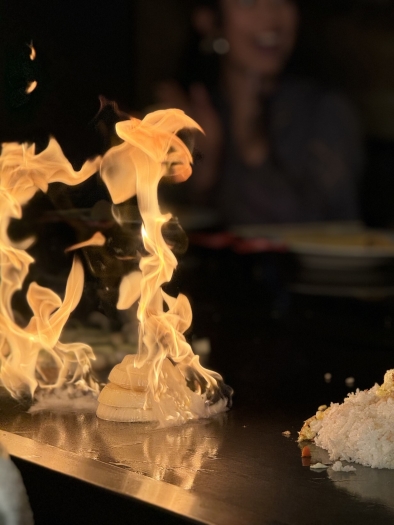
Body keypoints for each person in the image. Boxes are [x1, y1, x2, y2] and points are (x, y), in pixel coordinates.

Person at [156, 0, 363, 225]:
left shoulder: (325, 111)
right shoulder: (191, 109)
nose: (271, 18)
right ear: (208, 20)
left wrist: (253, 146)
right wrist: (203, 169)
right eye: (248, 3)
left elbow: (324, 227)